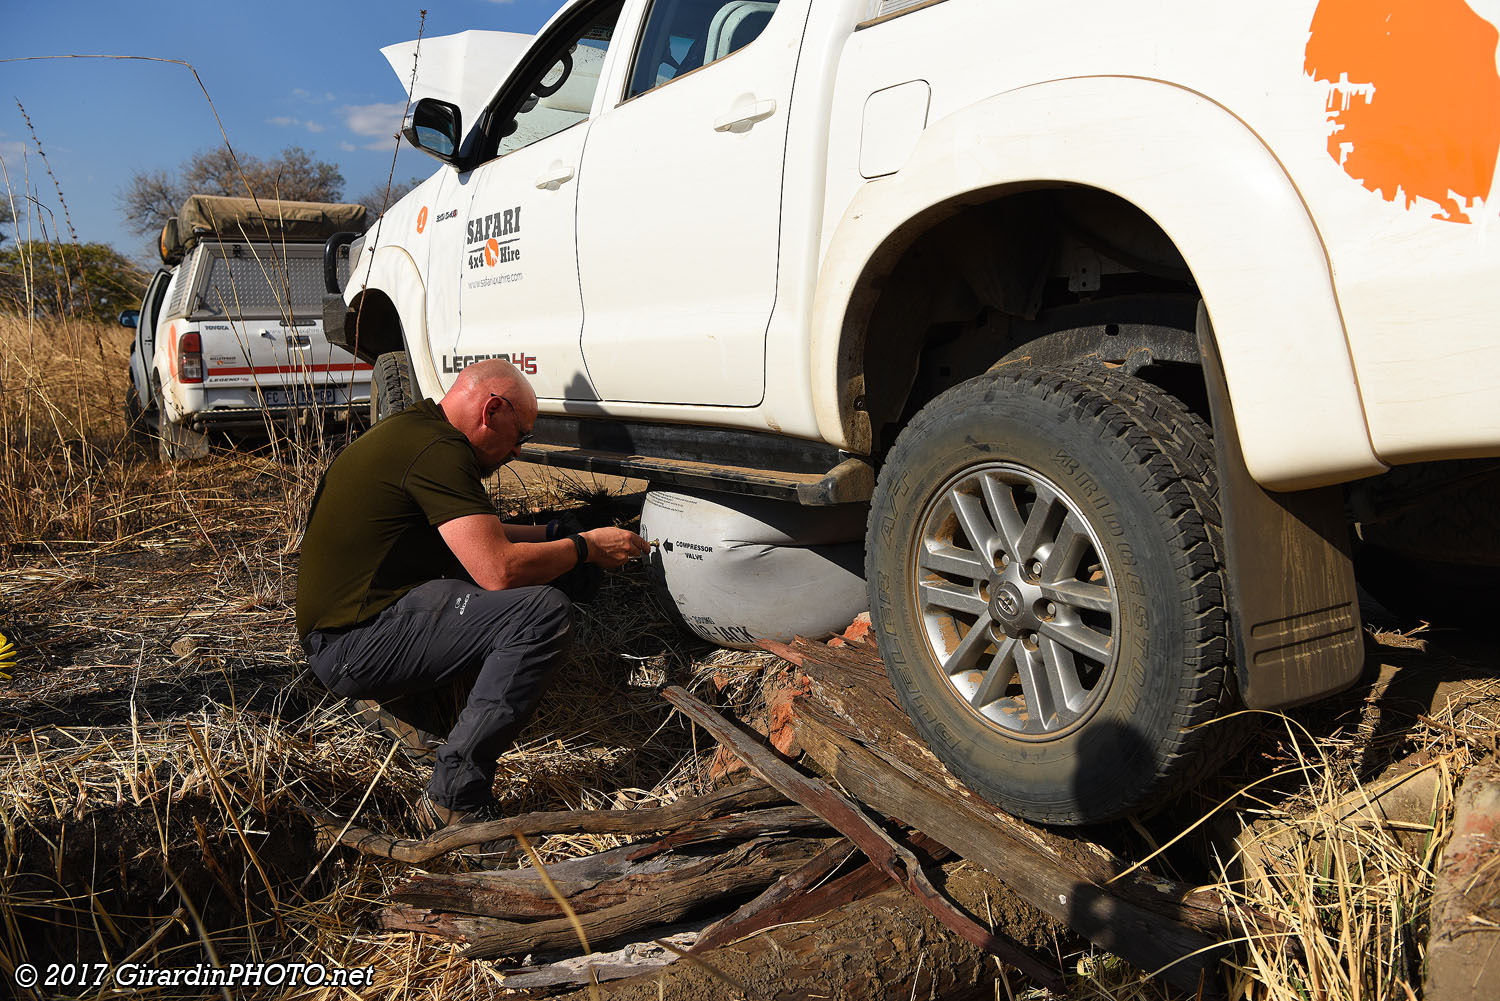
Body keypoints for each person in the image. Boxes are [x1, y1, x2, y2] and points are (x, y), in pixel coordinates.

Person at [296, 359, 649, 825]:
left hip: (352, 625)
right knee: (538, 613)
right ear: (493, 411)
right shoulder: (439, 451)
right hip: (350, 647)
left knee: (518, 580)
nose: (517, 451)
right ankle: (456, 797)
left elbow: (468, 531)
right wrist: (583, 548)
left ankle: (404, 700)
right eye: (520, 435)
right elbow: (498, 571)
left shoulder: (417, 431)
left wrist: (549, 533)